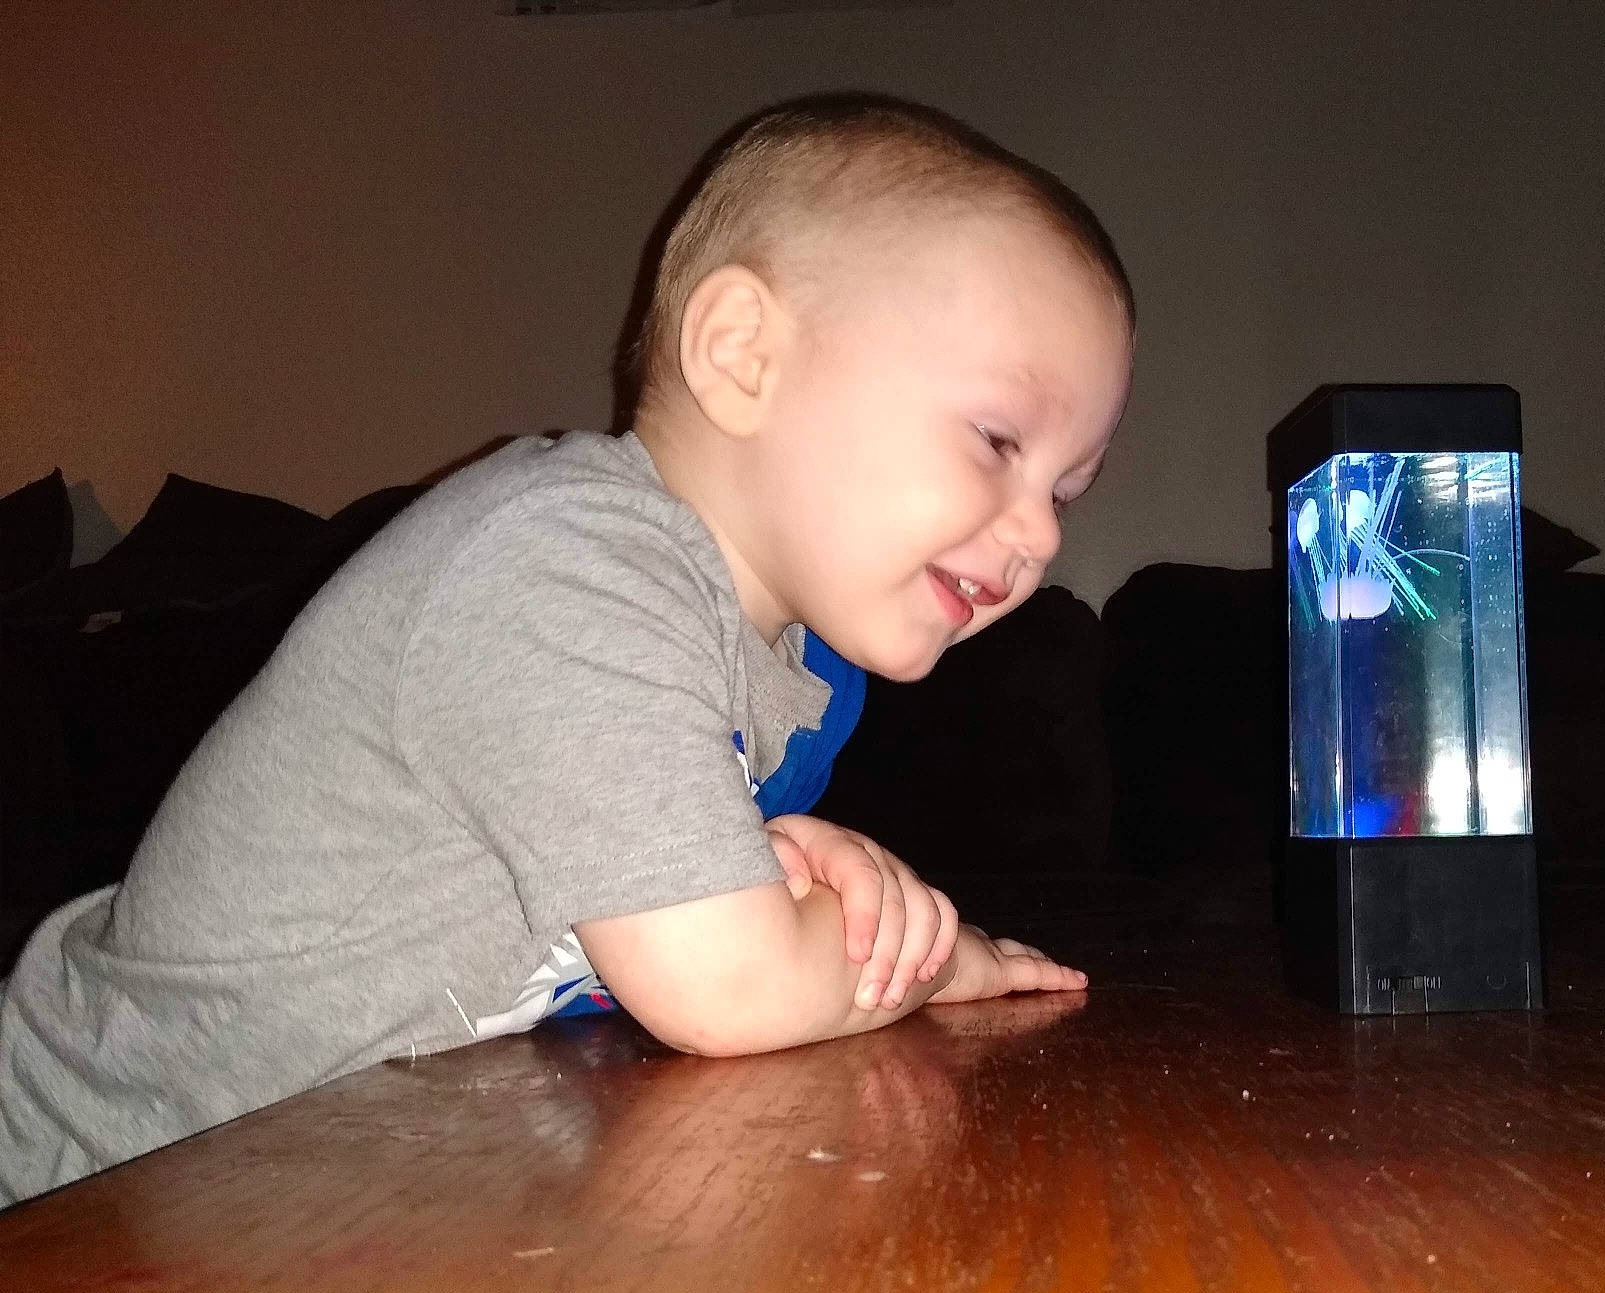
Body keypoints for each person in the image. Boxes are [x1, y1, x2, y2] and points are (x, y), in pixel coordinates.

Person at [0, 92, 1135, 1206]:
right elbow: (728, 984)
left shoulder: (795, 664)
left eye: (1066, 493)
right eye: (997, 440)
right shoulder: (568, 569)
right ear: (741, 354)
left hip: (313, 1197)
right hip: (91, 1182)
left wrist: (818, 906)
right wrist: (927, 956)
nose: (1037, 534)